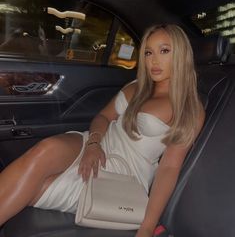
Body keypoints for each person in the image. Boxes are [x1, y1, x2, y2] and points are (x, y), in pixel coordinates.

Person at [0, 24, 205, 237]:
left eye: (164, 51)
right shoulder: (137, 86)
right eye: (148, 52)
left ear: (181, 54)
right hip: (95, 144)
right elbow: (103, 117)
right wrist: (93, 144)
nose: (153, 60)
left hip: (122, 173)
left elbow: (169, 168)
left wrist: (147, 226)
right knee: (46, 148)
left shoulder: (189, 107)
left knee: (34, 185)